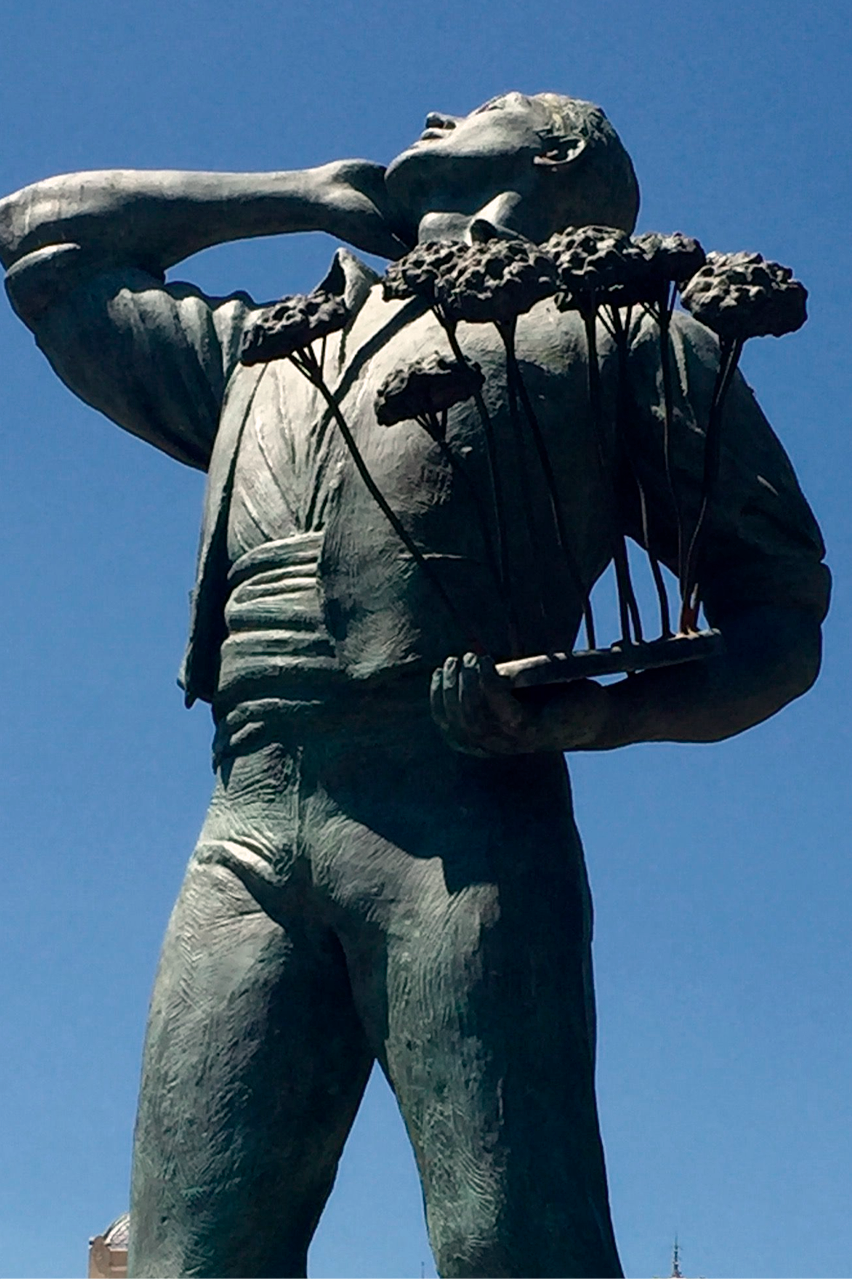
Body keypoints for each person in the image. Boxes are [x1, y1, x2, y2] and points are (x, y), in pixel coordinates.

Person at [0, 92, 829, 1279]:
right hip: (243, 833)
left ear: (560, 157)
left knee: (512, 1238)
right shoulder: (273, 346)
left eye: (487, 108)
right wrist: (293, 192)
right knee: (188, 1254)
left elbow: (781, 618)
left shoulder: (615, 327)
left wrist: (605, 712)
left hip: (462, 826)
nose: (438, 110)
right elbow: (42, 241)